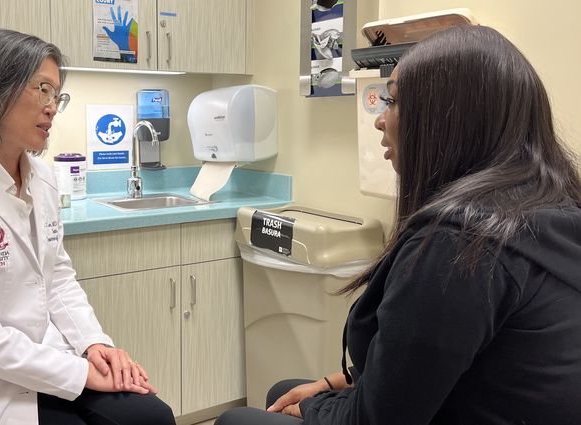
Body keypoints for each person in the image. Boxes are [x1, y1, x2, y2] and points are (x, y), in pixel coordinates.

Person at [215, 25, 581, 425]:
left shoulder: (459, 245)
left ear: (449, 121)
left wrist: (315, 407)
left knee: (240, 419)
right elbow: (438, 358)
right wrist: (333, 383)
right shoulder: (552, 211)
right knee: (284, 389)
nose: (380, 120)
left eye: (392, 101)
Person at [0, 29, 175, 425]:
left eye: (56, 95)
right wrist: (80, 374)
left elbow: (57, 278)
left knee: (150, 415)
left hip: (45, 361)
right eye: (42, 90)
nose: (52, 108)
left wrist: (92, 344)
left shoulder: (42, 177)